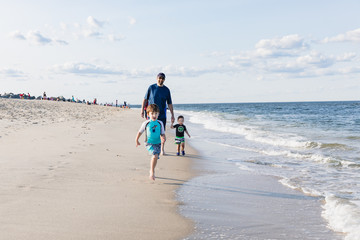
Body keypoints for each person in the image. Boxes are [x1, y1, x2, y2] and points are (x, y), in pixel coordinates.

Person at [141, 72, 175, 155]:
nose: (161, 80)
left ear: (164, 79)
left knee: (162, 132)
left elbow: (169, 103)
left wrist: (172, 115)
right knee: (151, 130)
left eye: (162, 78)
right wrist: (142, 110)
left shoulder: (166, 90)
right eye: (159, 78)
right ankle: (151, 146)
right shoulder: (151, 88)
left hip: (162, 114)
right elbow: (145, 99)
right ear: (157, 78)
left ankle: (162, 149)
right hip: (151, 114)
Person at [135, 104, 165, 181]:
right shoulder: (146, 123)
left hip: (158, 143)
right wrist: (137, 140)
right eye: (152, 113)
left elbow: (162, 133)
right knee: (154, 156)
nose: (154, 115)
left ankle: (152, 169)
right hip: (149, 143)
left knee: (155, 158)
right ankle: (152, 171)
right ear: (148, 114)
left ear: (158, 114)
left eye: (156, 113)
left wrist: (163, 138)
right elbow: (140, 132)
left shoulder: (160, 123)